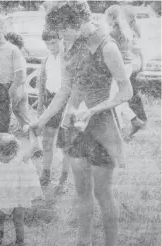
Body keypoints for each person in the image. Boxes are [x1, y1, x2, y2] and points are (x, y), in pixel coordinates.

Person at [31, 2, 133, 245]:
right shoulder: (70, 44)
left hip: (101, 130)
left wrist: (96, 108)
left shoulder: (108, 47)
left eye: (64, 30)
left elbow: (126, 90)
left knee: (102, 193)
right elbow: (65, 89)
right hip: (74, 129)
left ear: (77, 23)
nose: (61, 35)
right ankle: (83, 242)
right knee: (81, 193)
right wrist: (40, 120)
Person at [0, 131, 43, 246]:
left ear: (13, 151)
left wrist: (32, 131)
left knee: (18, 219)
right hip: (4, 193)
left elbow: (35, 147)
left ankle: (19, 242)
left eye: (2, 155)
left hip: (20, 195)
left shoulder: (22, 157)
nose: (0, 158)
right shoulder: (1, 158)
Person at [105, 5, 147, 139]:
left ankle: (122, 129)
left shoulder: (114, 33)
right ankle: (134, 120)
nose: (105, 20)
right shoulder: (124, 30)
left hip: (120, 67)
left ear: (111, 18)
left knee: (115, 98)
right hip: (127, 66)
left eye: (106, 17)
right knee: (119, 97)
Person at [37, 28, 70, 191]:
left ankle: (63, 180)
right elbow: (41, 85)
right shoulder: (46, 60)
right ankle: (45, 173)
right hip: (50, 102)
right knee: (47, 141)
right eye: (48, 43)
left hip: (66, 102)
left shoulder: (68, 58)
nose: (52, 46)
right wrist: (40, 108)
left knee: (65, 143)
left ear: (61, 40)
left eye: (54, 42)